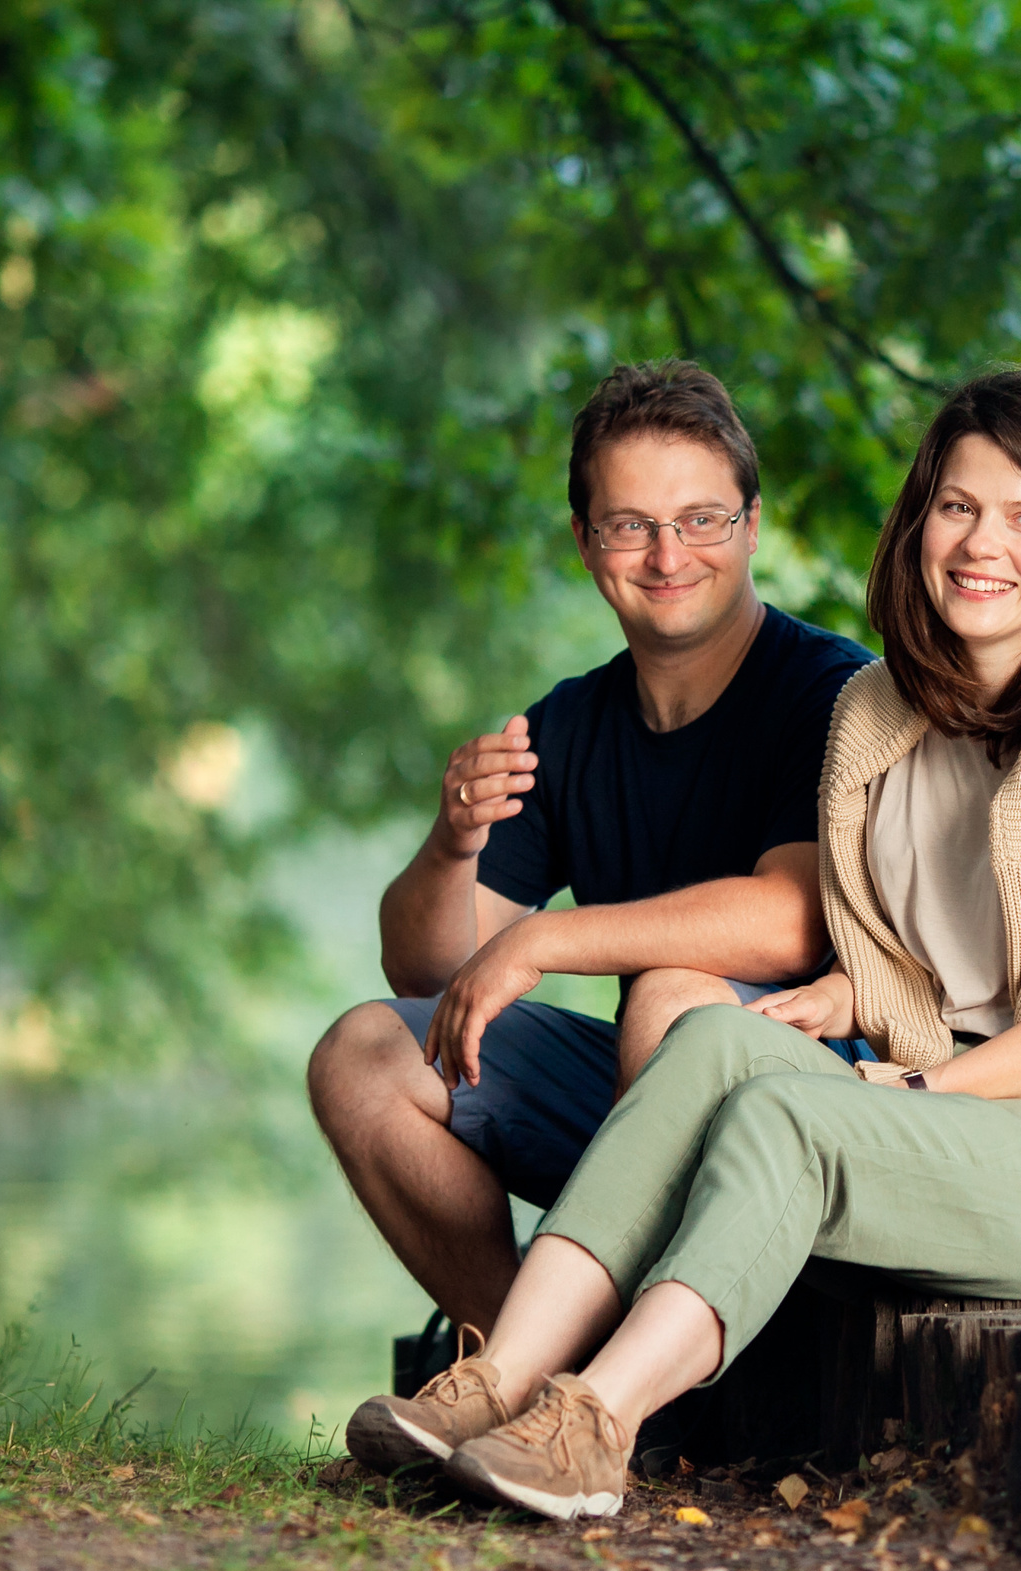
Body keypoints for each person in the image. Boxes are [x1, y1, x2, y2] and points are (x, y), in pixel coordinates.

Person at [347, 367, 1021, 1518]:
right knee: (706, 1043)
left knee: (786, 1109)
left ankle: (602, 1422)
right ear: (918, 522)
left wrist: (921, 1084)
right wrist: (848, 1002)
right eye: (958, 507)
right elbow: (893, 942)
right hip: (931, 1108)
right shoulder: (882, 712)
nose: (983, 544)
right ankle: (507, 1379)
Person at [307, 361, 874, 1470]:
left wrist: (545, 938)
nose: (668, 557)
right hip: (638, 1107)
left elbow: (787, 924)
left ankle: (615, 1401)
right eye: (630, 526)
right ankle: (511, 1376)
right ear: (584, 542)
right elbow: (428, 967)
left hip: (802, 1125)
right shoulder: (566, 727)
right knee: (363, 1053)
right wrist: (453, 841)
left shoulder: (830, 695)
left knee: (673, 1006)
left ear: (751, 526)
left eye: (700, 519)